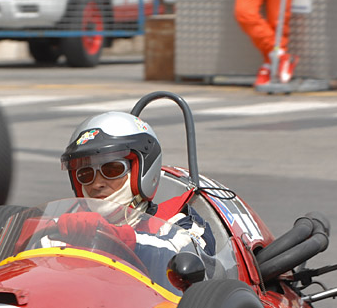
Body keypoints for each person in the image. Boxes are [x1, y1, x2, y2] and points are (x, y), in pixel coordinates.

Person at [54, 112, 216, 284]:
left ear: (140, 172)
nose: (96, 184)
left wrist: (116, 237)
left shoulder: (180, 224)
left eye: (112, 170)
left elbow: (186, 257)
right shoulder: (66, 224)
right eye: (85, 174)